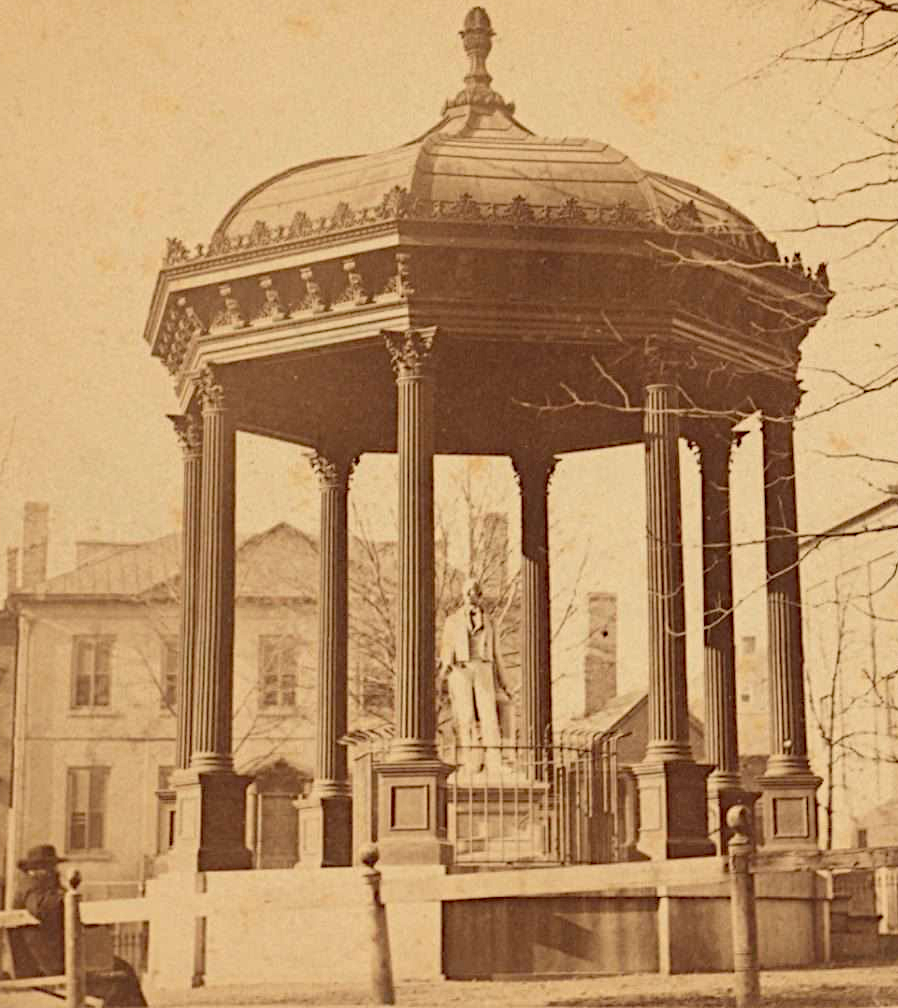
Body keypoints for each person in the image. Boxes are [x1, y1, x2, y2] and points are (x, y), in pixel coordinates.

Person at [12, 844, 147, 1007]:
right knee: (120, 980)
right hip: (49, 963)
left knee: (124, 970)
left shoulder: (39, 887)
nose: (53, 871)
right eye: (48, 867)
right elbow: (42, 907)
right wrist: (67, 896)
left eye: (52, 866)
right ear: (34, 869)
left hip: (58, 958)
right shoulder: (32, 888)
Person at [439, 578, 511, 775]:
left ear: (480, 596)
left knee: (489, 715)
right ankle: (470, 762)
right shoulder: (452, 621)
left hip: (483, 668)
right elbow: (446, 649)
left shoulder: (490, 622)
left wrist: (505, 682)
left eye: (475, 592)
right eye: (468, 591)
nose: (471, 595)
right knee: (466, 716)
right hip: (461, 670)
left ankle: (495, 761)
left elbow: (497, 655)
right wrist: (444, 672)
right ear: (463, 595)